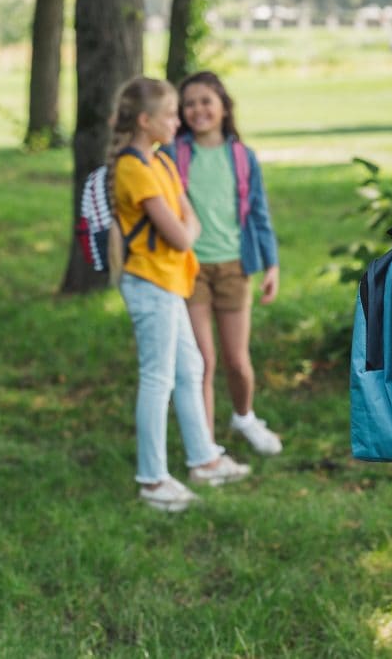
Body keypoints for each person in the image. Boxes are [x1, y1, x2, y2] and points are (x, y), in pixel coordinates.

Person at [110, 76, 249, 512]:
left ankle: (203, 459)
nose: (178, 121)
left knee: (190, 369)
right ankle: (152, 481)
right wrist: (184, 229)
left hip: (171, 283)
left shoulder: (162, 163)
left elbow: (189, 224)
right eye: (170, 114)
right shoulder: (133, 168)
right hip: (150, 285)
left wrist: (184, 229)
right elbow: (181, 232)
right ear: (146, 120)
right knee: (158, 377)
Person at [171, 71, 282, 456]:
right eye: (189, 103)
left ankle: (244, 416)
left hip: (235, 267)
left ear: (222, 106)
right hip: (191, 270)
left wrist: (271, 265)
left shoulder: (242, 156)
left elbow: (259, 215)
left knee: (237, 361)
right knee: (203, 360)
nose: (198, 109)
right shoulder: (173, 154)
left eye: (206, 101)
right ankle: (205, 447)